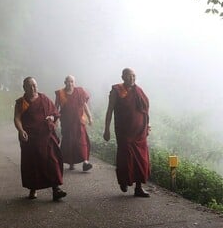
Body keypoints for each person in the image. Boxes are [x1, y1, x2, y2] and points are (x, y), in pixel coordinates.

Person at [14, 76, 67, 201]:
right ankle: (33, 188)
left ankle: (56, 189)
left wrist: (52, 118)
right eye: (30, 86)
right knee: (32, 164)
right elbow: (17, 118)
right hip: (30, 137)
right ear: (24, 88)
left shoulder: (44, 99)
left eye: (35, 85)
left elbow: (54, 113)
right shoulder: (21, 102)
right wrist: (21, 131)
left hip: (46, 135)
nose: (33, 88)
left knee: (52, 161)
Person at [103, 68, 151, 197]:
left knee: (141, 159)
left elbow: (144, 110)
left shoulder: (138, 91)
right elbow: (110, 110)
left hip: (139, 132)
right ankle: (124, 180)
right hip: (124, 132)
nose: (132, 79)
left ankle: (138, 187)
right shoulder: (117, 91)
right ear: (123, 77)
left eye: (134, 76)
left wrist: (148, 124)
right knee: (126, 158)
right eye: (129, 76)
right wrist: (106, 129)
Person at [55, 75, 93, 172]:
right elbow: (56, 108)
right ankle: (71, 163)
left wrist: (90, 117)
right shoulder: (60, 93)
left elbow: (84, 105)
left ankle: (85, 162)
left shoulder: (79, 91)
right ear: (65, 82)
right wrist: (55, 120)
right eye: (68, 81)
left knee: (82, 141)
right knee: (69, 143)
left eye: (72, 81)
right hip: (67, 123)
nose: (70, 84)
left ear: (74, 82)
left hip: (79, 122)